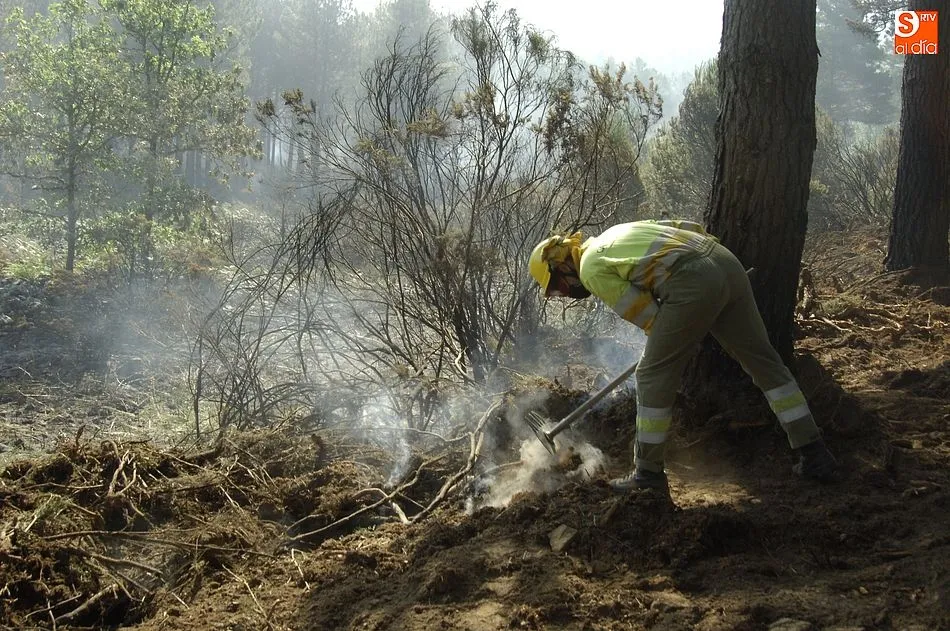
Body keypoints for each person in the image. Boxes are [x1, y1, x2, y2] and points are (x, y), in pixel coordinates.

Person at [528, 219, 838, 492]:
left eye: (557, 286)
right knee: (765, 363)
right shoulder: (618, 232)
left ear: (564, 265)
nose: (564, 293)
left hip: (694, 281)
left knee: (650, 375)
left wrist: (684, 328)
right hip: (725, 263)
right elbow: (687, 228)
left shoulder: (591, 267)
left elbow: (648, 315)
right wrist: (687, 322)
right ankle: (815, 452)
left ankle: (647, 474)